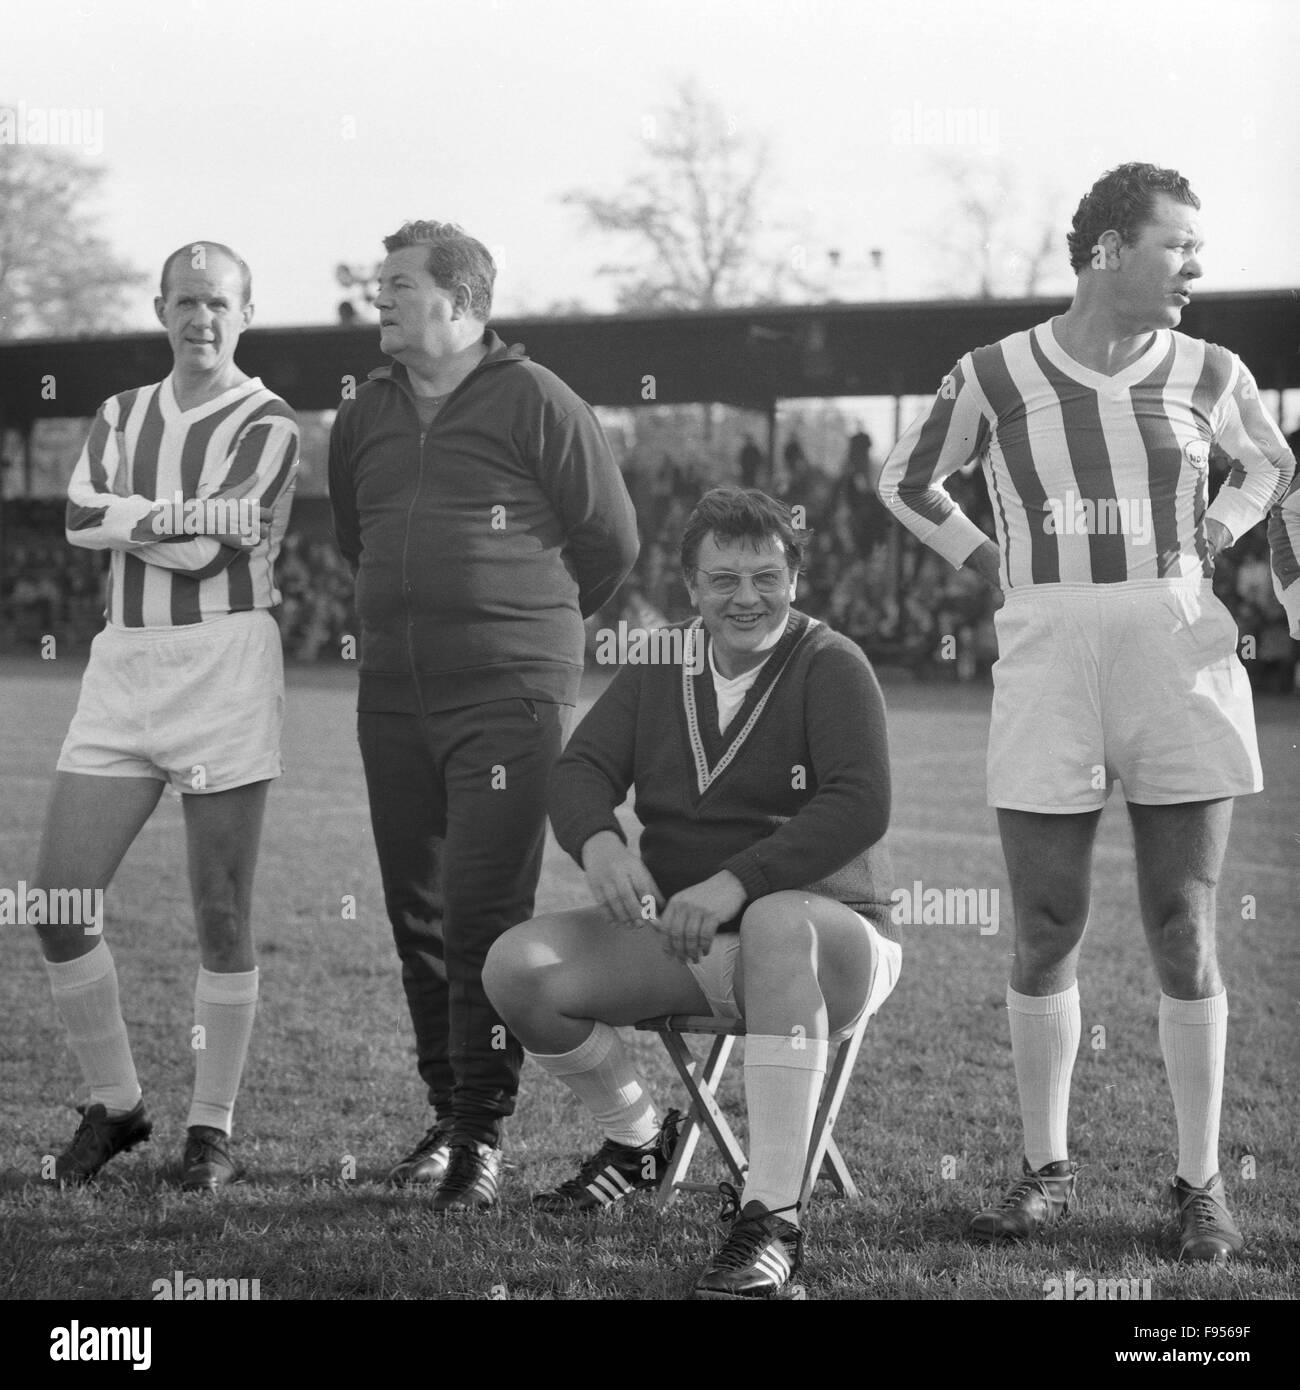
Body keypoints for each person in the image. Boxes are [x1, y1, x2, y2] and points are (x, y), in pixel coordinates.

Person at [878, 162, 1296, 1262]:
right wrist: (990, 562)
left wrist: (1212, 541)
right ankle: (1042, 1171)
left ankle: (1199, 1183)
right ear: (1109, 248)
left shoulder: (1213, 369)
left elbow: (1275, 470)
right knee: (1048, 922)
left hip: (1178, 654)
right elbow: (906, 480)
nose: (1194, 268)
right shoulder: (994, 373)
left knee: (1181, 925)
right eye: (1177, 246)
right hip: (1049, 655)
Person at [484, 486, 898, 1299]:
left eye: (767, 577)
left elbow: (860, 801)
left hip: (831, 942)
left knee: (777, 920)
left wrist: (735, 881)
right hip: (695, 938)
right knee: (517, 966)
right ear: (691, 587)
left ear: (795, 579)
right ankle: (637, 1140)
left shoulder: (831, 663)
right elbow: (580, 770)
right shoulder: (661, 660)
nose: (748, 598)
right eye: (725, 580)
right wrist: (599, 843)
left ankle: (773, 1217)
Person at [328, 220, 638, 1211]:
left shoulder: (536, 397)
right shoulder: (362, 412)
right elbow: (355, 537)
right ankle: (443, 1111)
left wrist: (521, 630)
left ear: (459, 303)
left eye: (398, 283)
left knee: (479, 913)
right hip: (392, 693)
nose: (378, 297)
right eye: (378, 283)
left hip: (506, 696)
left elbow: (611, 542)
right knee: (413, 909)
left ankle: (480, 1134)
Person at [34, 241, 300, 1190]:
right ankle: (118, 1105)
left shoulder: (267, 421)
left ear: (245, 310)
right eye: (185, 301)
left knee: (221, 913)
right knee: (58, 904)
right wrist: (175, 517)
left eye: (218, 302)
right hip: (122, 663)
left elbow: (207, 560)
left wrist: (129, 515)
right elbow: (73, 517)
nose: (201, 318)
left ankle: (211, 1130)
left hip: (223, 662)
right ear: (159, 308)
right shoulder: (118, 412)